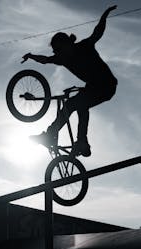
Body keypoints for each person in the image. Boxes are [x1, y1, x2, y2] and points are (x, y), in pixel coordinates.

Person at [22, 5, 118, 157]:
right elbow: (45, 60)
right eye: (56, 52)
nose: (57, 54)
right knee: (78, 104)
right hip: (93, 87)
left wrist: (105, 15)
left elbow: (97, 32)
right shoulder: (63, 58)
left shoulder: (84, 46)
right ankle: (82, 142)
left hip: (107, 85)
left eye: (58, 50)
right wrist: (31, 56)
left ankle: (64, 138)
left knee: (74, 104)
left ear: (67, 44)